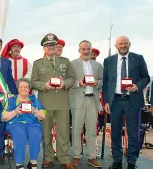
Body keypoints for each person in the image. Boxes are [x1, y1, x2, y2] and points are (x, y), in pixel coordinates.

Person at [103, 36, 150, 169]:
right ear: (116, 45)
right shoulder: (109, 61)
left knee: (133, 133)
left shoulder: (138, 58)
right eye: (120, 43)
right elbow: (106, 83)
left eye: (125, 43)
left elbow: (146, 77)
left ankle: (131, 162)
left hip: (132, 100)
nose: (123, 45)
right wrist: (106, 101)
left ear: (129, 44)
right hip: (115, 101)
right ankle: (117, 161)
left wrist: (137, 86)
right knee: (115, 132)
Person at [31, 33, 74, 169]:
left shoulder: (66, 62)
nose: (51, 47)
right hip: (45, 102)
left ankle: (64, 158)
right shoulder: (37, 64)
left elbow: (72, 79)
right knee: (46, 132)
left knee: (63, 132)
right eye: (48, 46)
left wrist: (64, 84)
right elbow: (33, 82)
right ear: (44, 48)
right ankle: (48, 157)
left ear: (57, 47)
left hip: (62, 102)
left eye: (53, 45)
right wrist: (45, 86)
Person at [69, 40, 103, 168]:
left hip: (92, 100)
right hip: (77, 100)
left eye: (88, 49)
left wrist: (97, 82)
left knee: (92, 131)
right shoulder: (72, 64)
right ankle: (77, 156)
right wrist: (78, 83)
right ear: (79, 50)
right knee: (77, 130)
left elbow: (102, 82)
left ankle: (92, 156)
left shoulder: (98, 66)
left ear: (91, 50)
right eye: (83, 49)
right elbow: (69, 81)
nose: (86, 51)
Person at [2, 78, 46, 169]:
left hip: (32, 123)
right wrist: (15, 112)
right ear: (17, 88)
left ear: (29, 89)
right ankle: (19, 164)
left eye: (26, 87)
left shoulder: (34, 100)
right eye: (21, 87)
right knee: (20, 133)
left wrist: (35, 111)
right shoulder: (11, 100)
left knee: (36, 133)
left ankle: (33, 162)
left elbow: (43, 116)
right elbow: (4, 117)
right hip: (15, 122)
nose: (23, 89)